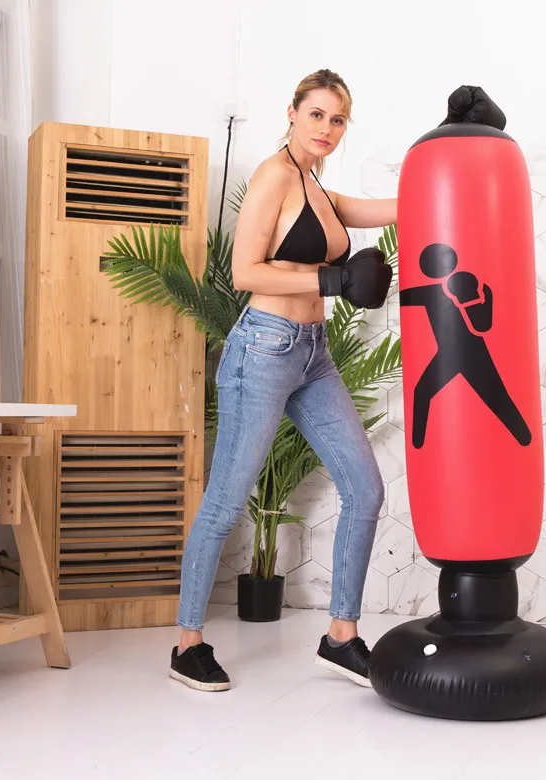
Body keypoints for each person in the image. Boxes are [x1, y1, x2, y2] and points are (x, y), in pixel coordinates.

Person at [169, 68, 397, 692]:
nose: (327, 127)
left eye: (338, 119)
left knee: (365, 488)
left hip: (312, 354)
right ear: (292, 112)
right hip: (263, 350)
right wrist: (334, 280)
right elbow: (245, 272)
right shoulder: (275, 175)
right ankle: (187, 644)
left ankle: (340, 637)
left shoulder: (316, 185)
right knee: (225, 500)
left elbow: (387, 208)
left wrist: (448, 166)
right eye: (316, 114)